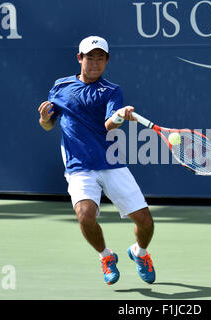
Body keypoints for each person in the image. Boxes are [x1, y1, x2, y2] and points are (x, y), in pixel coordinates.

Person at [37, 36, 155, 285]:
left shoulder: (111, 91)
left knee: (145, 222)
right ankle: (106, 256)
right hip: (79, 166)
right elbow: (49, 125)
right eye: (90, 57)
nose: (95, 62)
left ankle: (139, 253)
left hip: (111, 163)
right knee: (85, 215)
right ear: (79, 58)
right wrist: (45, 120)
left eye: (101, 58)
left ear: (107, 60)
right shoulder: (60, 87)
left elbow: (109, 124)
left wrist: (121, 116)